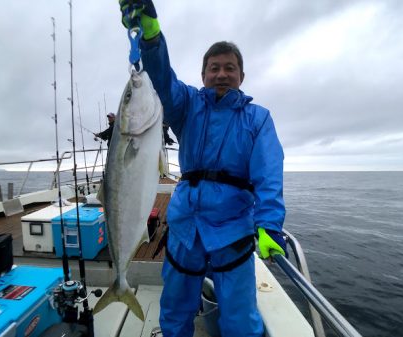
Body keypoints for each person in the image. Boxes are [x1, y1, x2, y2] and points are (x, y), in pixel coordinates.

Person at [118, 1, 287, 336]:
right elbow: (162, 80)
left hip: (233, 228)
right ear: (203, 75)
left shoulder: (258, 118)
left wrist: (268, 224)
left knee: (239, 317)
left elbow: (269, 174)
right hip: (185, 225)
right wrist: (151, 37)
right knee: (175, 308)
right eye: (214, 68)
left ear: (242, 75)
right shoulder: (187, 104)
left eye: (229, 68)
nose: (221, 74)